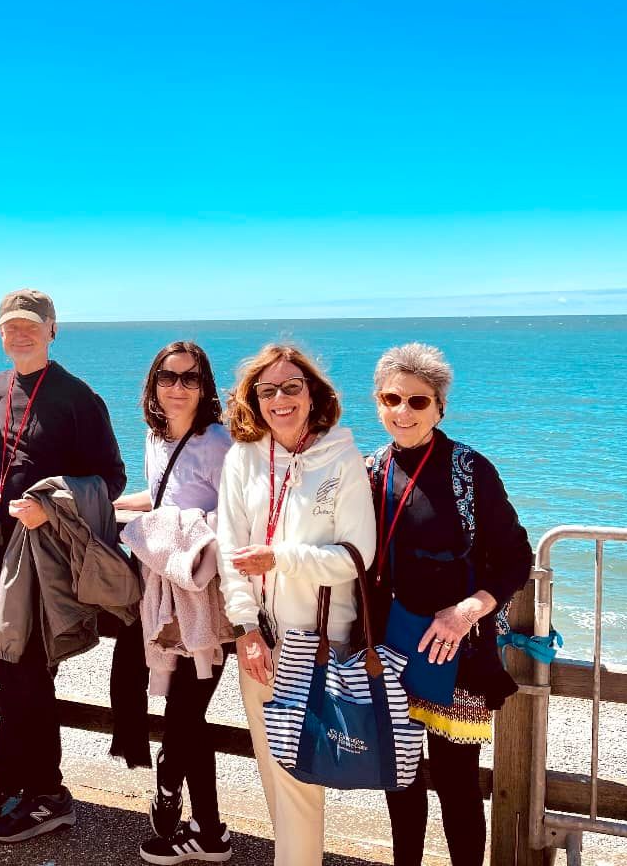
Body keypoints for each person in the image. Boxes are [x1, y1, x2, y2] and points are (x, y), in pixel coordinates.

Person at [0, 289, 127, 843]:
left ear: (53, 330)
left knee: (29, 675)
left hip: (40, 559)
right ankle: (11, 774)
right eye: (9, 326)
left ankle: (50, 792)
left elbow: (112, 479)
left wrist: (51, 507)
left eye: (30, 325)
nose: (19, 334)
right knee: (8, 669)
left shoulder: (79, 398)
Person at [368, 343, 532, 866]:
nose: (403, 411)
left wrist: (466, 612)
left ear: (440, 408)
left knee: (458, 783)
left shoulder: (469, 471)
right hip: (392, 647)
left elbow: (515, 557)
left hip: (457, 653)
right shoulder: (371, 471)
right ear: (378, 402)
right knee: (401, 778)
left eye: (418, 402)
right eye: (392, 398)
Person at [214, 343, 376, 866]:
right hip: (260, 639)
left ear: (312, 395)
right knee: (271, 766)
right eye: (268, 390)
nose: (280, 399)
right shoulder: (242, 457)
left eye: (291, 387)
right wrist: (245, 628)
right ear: (252, 399)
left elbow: (356, 556)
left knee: (300, 774)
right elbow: (229, 550)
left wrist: (280, 558)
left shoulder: (342, 457)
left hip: (318, 640)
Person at [114, 341, 235, 864]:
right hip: (163, 596)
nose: (178, 387)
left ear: (204, 386)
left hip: (206, 597)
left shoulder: (222, 443)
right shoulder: (155, 436)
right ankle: (209, 832)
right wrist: (111, 505)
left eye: (189, 378)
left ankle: (168, 794)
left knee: (186, 712)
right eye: (168, 377)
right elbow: (164, 495)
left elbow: (236, 517)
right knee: (187, 714)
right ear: (154, 383)